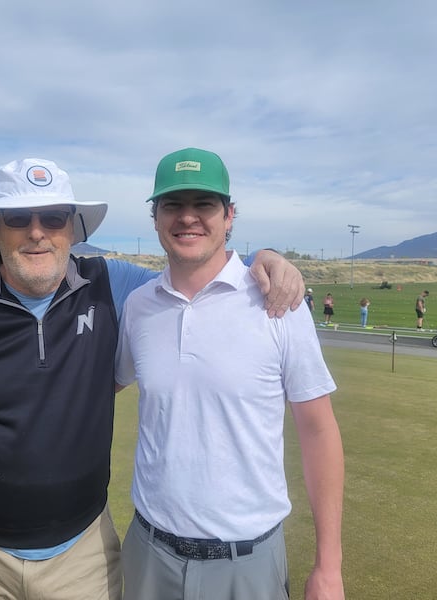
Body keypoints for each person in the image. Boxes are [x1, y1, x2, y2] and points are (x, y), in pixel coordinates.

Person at [0, 158, 305, 600]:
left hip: (84, 553)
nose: (37, 231)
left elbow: (196, 273)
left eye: (53, 216)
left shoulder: (110, 284)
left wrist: (259, 260)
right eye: (18, 218)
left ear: (71, 227)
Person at [116, 148, 345, 600]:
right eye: (173, 206)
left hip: (247, 564)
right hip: (149, 553)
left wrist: (329, 568)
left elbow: (319, 432)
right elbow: (102, 385)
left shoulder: (278, 302)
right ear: (155, 217)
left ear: (229, 215)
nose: (188, 218)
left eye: (203, 204)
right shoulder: (138, 306)